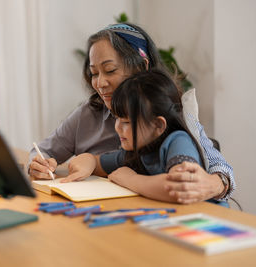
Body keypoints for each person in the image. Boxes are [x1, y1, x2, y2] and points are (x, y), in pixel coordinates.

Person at [28, 23, 234, 204]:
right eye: (94, 73)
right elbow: (44, 151)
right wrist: (40, 164)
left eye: (109, 70)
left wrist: (216, 183)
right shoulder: (88, 114)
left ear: (141, 67)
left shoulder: (173, 119)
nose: (100, 83)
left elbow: (216, 165)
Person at [62, 69, 227, 204]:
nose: (118, 127)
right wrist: (86, 162)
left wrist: (131, 179)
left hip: (207, 222)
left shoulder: (178, 141)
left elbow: (178, 188)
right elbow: (96, 162)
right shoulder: (137, 150)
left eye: (126, 122)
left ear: (158, 125)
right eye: (118, 118)